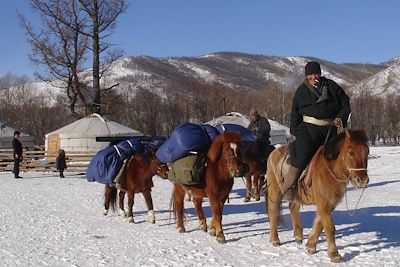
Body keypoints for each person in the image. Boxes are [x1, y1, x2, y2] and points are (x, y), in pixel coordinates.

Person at [281, 61, 351, 200]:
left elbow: (345, 104)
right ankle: (289, 188)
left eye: (316, 73)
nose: (314, 77)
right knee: (301, 156)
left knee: (340, 156)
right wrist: (295, 131)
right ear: (307, 76)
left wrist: (340, 118)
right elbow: (295, 112)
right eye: (311, 74)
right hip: (308, 130)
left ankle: (338, 185)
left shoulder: (332, 86)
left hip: (329, 129)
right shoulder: (301, 90)